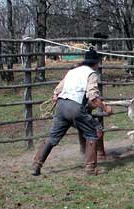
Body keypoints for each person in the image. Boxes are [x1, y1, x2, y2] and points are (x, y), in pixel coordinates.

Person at [32, 48, 112, 176]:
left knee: (53, 138)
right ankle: (91, 168)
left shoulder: (72, 72)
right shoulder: (91, 74)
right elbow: (93, 97)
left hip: (61, 106)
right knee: (93, 131)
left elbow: (56, 92)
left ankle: (36, 165)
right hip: (74, 107)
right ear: (96, 63)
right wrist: (105, 108)